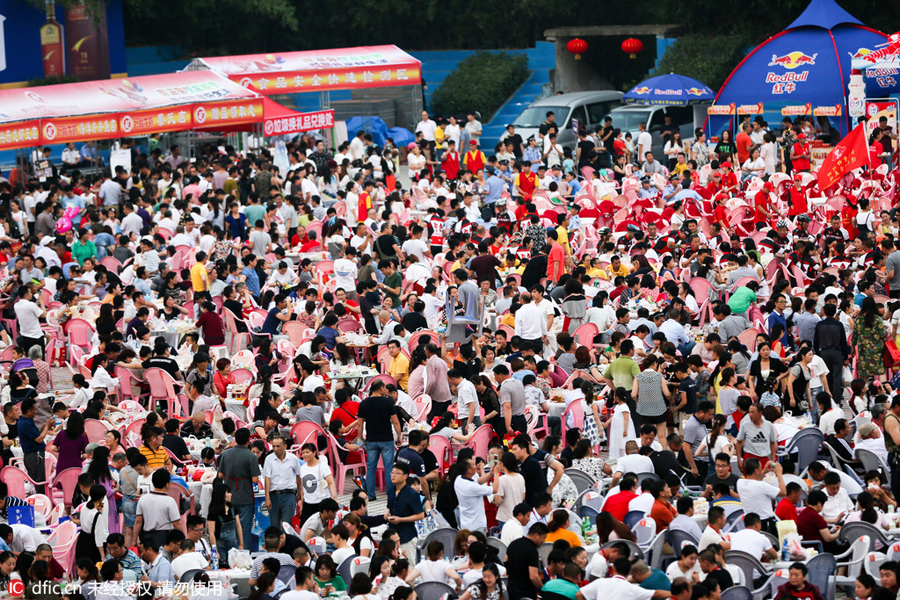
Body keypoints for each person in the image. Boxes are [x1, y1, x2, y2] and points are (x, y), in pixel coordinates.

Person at [217, 428, 260, 546]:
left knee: (230, 528)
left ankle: (231, 555)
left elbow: (220, 475)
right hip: (245, 496)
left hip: (229, 496)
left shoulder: (226, 454)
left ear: (235, 439)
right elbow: (255, 480)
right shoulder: (251, 457)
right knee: (244, 529)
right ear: (248, 440)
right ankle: (244, 555)